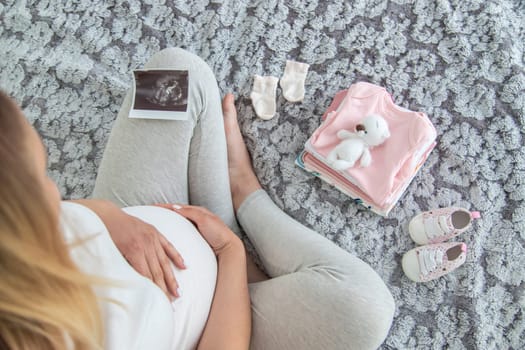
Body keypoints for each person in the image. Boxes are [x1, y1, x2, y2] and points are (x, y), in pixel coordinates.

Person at [0, 48, 395, 350]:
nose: (58, 190)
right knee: (365, 311)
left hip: (143, 214)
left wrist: (109, 216)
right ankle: (245, 195)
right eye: (42, 182)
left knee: (172, 72)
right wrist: (230, 253)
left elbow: (74, 211)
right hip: (217, 317)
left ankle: (230, 201)